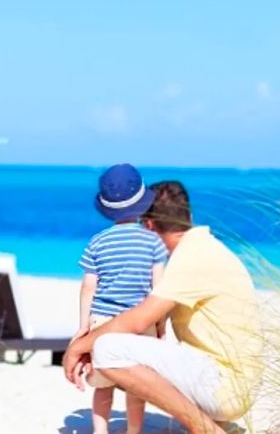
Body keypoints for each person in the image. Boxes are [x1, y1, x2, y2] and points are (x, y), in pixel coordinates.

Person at [64, 181, 263, 434]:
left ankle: (207, 430)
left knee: (107, 349)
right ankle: (213, 424)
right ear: (187, 215)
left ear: (148, 227)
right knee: (115, 346)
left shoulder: (191, 258)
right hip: (234, 383)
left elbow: (136, 321)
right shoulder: (203, 247)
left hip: (225, 387)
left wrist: (79, 347)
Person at [74, 163, 169, 434]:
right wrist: (161, 325)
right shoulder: (154, 242)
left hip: (103, 323)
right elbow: (158, 289)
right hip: (141, 321)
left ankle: (100, 431)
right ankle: (133, 431)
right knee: (136, 385)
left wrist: (83, 326)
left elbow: (88, 287)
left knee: (103, 383)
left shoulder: (98, 242)